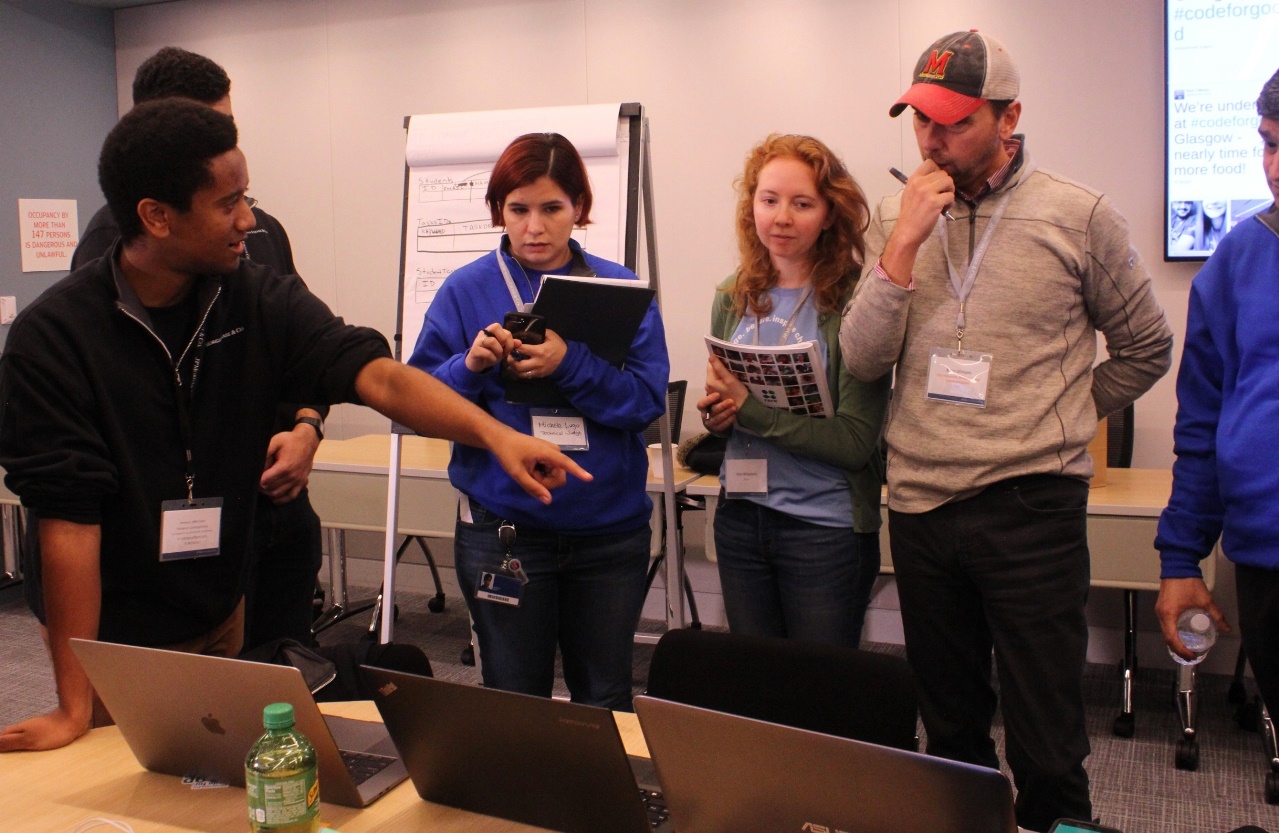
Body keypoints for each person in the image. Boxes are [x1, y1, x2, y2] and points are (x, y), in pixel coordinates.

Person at [0, 100, 588, 753]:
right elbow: (67, 527)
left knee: (228, 777)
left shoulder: (254, 297)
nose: (248, 220)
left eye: (245, 196)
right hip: (113, 638)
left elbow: (377, 374)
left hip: (221, 607)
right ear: (156, 216)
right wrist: (73, 702)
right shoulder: (54, 340)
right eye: (227, 204)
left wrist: (495, 435)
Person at [838, 30, 1173, 831]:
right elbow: (859, 356)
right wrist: (903, 244)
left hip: (1030, 508)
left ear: (1009, 116)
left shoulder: (1076, 214)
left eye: (953, 122)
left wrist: (1062, 412)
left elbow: (1146, 347)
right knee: (949, 732)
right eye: (920, 119)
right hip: (920, 503)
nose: (931, 138)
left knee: (1047, 742)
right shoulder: (896, 212)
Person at [71, 46, 325, 651]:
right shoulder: (110, 252)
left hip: (277, 507)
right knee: (204, 707)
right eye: (203, 126)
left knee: (289, 673)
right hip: (186, 533)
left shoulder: (260, 231)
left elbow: (309, 348)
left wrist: (308, 427)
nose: (221, 142)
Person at [408, 133, 668, 710]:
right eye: (518, 209)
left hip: (608, 531)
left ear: (579, 206)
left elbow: (646, 402)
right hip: (504, 530)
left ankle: (602, 803)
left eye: (552, 208)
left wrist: (569, 362)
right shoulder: (464, 290)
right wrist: (469, 366)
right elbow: (417, 402)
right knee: (513, 697)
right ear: (499, 210)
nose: (534, 228)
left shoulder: (620, 288)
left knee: (605, 695)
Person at [697, 134, 889, 649]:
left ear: (829, 214)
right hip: (740, 518)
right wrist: (720, 415)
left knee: (817, 695)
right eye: (769, 200)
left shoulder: (857, 300)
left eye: (802, 204)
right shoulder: (732, 295)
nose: (781, 217)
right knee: (758, 689)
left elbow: (854, 443)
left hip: (823, 529)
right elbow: (730, 405)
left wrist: (749, 409)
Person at [1155, 66, 1279, 718]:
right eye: (1268, 143)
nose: (1276, 167)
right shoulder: (1235, 259)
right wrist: (1180, 559)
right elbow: (1200, 424)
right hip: (1264, 557)